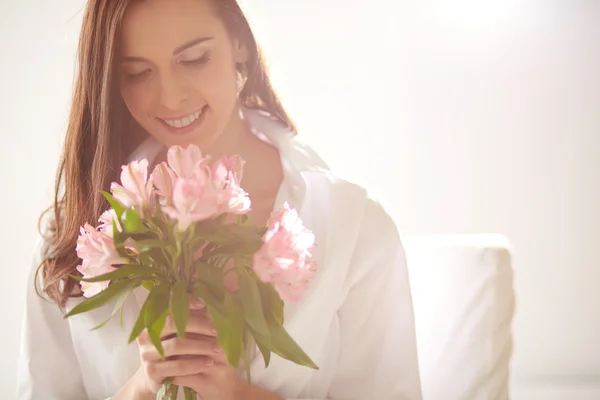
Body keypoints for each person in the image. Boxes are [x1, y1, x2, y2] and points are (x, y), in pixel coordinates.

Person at [16, 0, 422, 399]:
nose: (171, 98)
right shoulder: (73, 237)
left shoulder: (353, 227)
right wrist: (141, 388)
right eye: (138, 73)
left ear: (240, 43)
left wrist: (237, 394)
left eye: (194, 59)